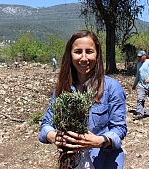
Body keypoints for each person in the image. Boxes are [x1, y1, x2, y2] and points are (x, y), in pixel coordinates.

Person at [39, 30, 127, 169]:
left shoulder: (112, 87)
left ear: (97, 55)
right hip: (72, 164)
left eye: (89, 51)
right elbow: (46, 124)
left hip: (104, 162)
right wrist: (53, 136)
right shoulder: (64, 88)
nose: (84, 58)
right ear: (70, 55)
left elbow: (119, 128)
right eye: (78, 52)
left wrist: (99, 141)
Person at [132, 50, 149, 120]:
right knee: (140, 99)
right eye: (138, 57)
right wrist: (134, 84)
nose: (139, 58)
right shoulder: (138, 65)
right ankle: (140, 114)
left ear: (145, 56)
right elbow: (138, 75)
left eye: (140, 57)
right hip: (141, 86)